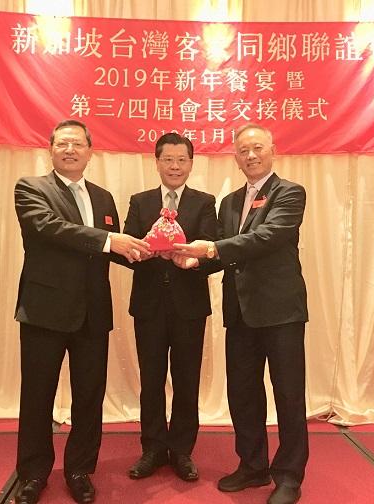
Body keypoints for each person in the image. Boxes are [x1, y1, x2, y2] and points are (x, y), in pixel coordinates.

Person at [13, 119, 150, 504]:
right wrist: (112, 240)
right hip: (44, 309)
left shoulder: (103, 197)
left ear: (91, 151)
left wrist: (154, 248)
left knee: (90, 396)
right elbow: (50, 229)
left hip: (93, 311)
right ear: (51, 149)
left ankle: (79, 470)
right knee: (37, 395)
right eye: (63, 143)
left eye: (78, 144)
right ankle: (33, 473)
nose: (70, 150)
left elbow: (116, 250)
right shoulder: (31, 189)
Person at [173, 124, 308, 504]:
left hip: (281, 311)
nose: (250, 155)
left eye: (257, 148)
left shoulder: (289, 193)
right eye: (243, 150)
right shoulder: (230, 201)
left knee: (288, 395)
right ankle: (252, 465)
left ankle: (289, 476)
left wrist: (210, 250)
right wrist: (189, 261)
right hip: (240, 313)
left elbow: (266, 238)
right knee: (243, 393)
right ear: (235, 156)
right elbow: (226, 255)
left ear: (273, 150)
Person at [122, 132, 218, 482]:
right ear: (157, 162)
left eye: (182, 160)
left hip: (189, 305)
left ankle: (181, 450)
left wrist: (193, 260)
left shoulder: (204, 202)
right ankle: (151, 448)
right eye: (168, 160)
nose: (175, 166)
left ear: (191, 163)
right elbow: (126, 249)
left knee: (186, 378)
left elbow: (214, 252)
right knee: (150, 379)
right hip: (148, 304)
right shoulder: (140, 201)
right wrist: (142, 251)